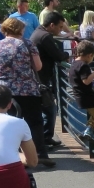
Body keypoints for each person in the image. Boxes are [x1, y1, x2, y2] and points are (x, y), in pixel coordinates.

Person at [0, 17, 55, 168]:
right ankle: (39, 154)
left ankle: (11, 155)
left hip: (4, 92)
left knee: (8, 123)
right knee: (34, 123)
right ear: (20, 29)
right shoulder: (27, 44)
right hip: (28, 90)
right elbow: (37, 67)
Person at [31, 11, 69, 148]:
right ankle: (45, 139)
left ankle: (45, 138)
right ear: (51, 25)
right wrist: (66, 54)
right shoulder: (45, 36)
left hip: (38, 77)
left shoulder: (38, 32)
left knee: (45, 110)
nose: (60, 30)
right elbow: (57, 55)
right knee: (49, 109)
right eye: (60, 27)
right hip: (41, 79)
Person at [69, 40, 94, 144]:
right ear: (89, 55)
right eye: (93, 57)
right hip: (88, 97)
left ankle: (89, 130)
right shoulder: (83, 65)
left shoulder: (74, 64)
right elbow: (86, 81)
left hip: (80, 96)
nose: (92, 60)